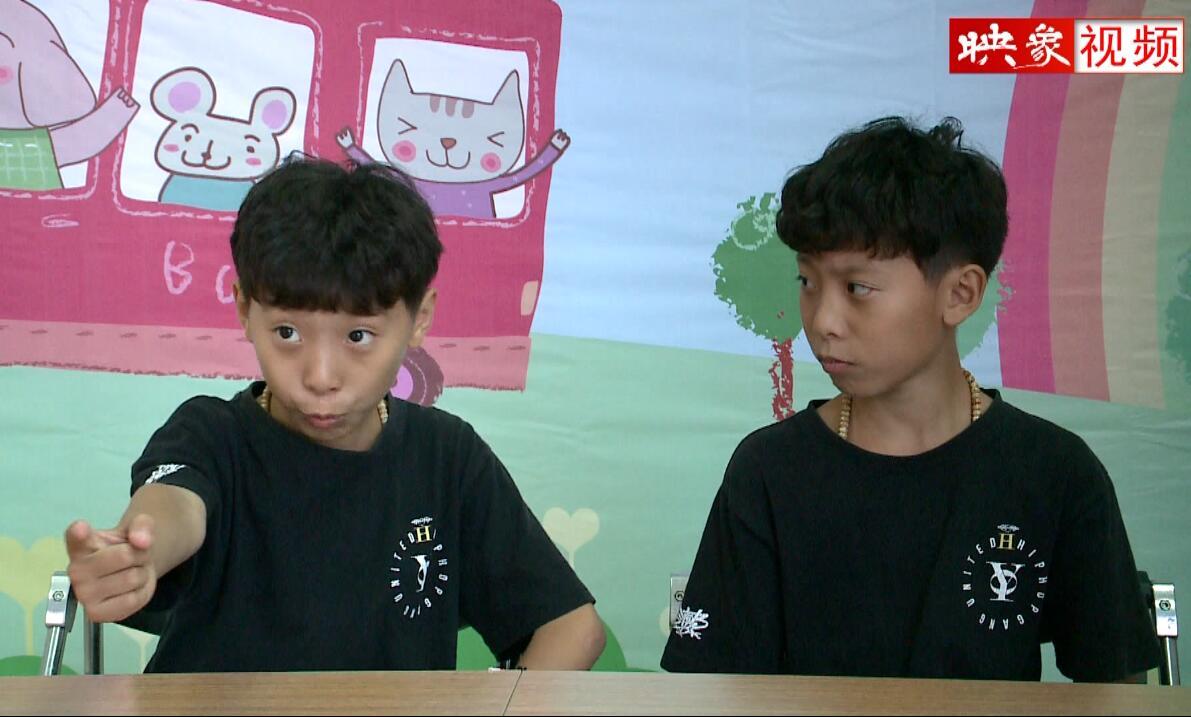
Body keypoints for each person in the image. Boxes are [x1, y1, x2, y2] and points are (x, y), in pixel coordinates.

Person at [661, 116, 1159, 682]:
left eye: (858, 288)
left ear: (960, 294)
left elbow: (1116, 689)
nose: (823, 321)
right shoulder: (769, 472)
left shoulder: (1056, 473)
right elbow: (713, 687)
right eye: (808, 282)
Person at [63, 157, 605, 672]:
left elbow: (573, 628)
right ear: (245, 308)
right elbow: (175, 506)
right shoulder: (209, 434)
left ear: (419, 319)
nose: (321, 376)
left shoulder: (448, 458)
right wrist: (141, 551)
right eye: (287, 332)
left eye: (359, 336)